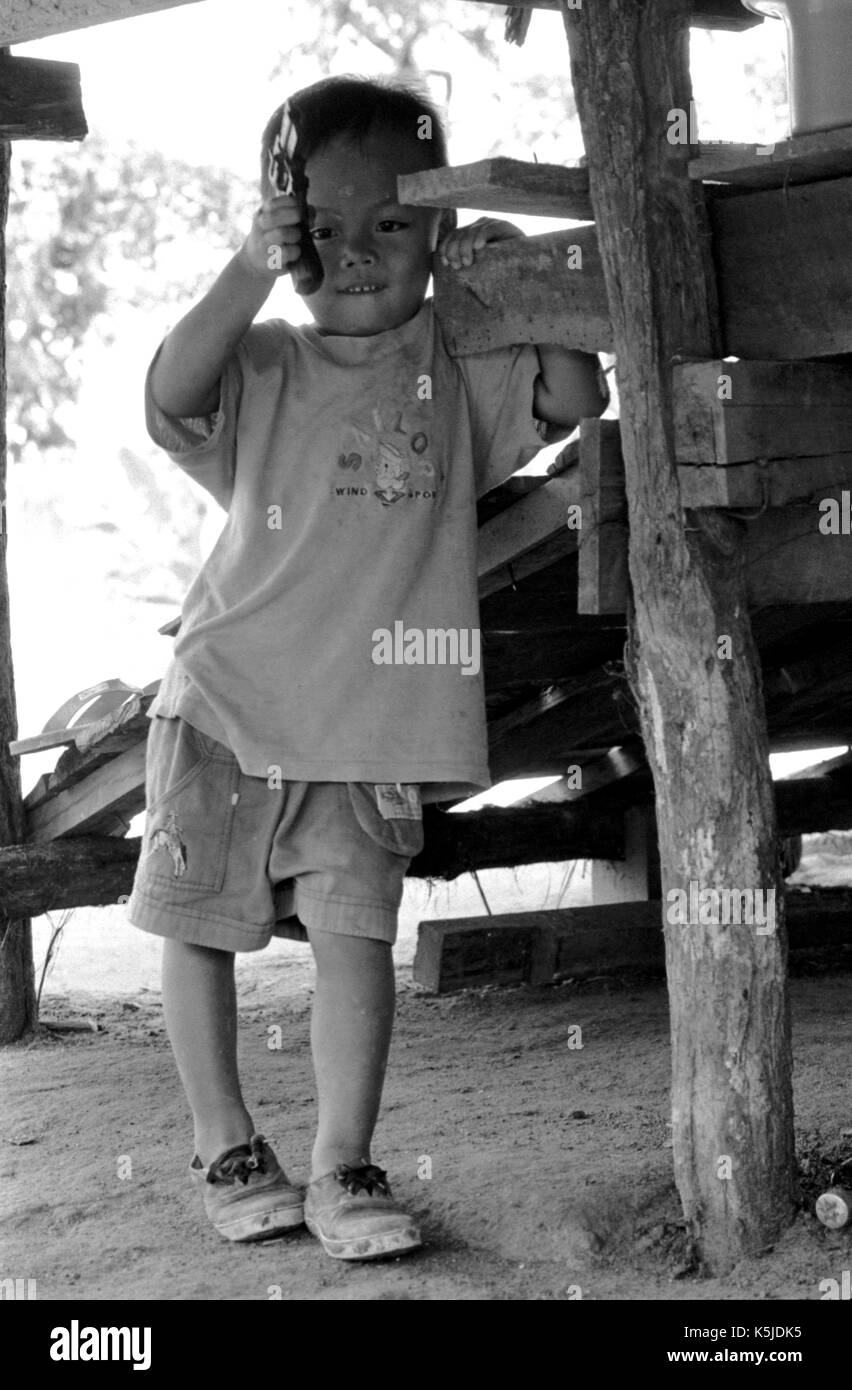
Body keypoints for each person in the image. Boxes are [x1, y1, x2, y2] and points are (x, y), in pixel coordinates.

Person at [127, 74, 607, 1261]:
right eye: (322, 229)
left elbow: (574, 390)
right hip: (231, 702)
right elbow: (165, 398)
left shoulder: (458, 363)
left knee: (356, 939)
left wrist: (512, 278)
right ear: (284, 234)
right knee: (196, 921)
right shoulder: (265, 361)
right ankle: (226, 1140)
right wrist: (245, 271)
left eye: (392, 223)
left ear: (435, 234)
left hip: (373, 721)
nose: (356, 252)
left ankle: (345, 1163)